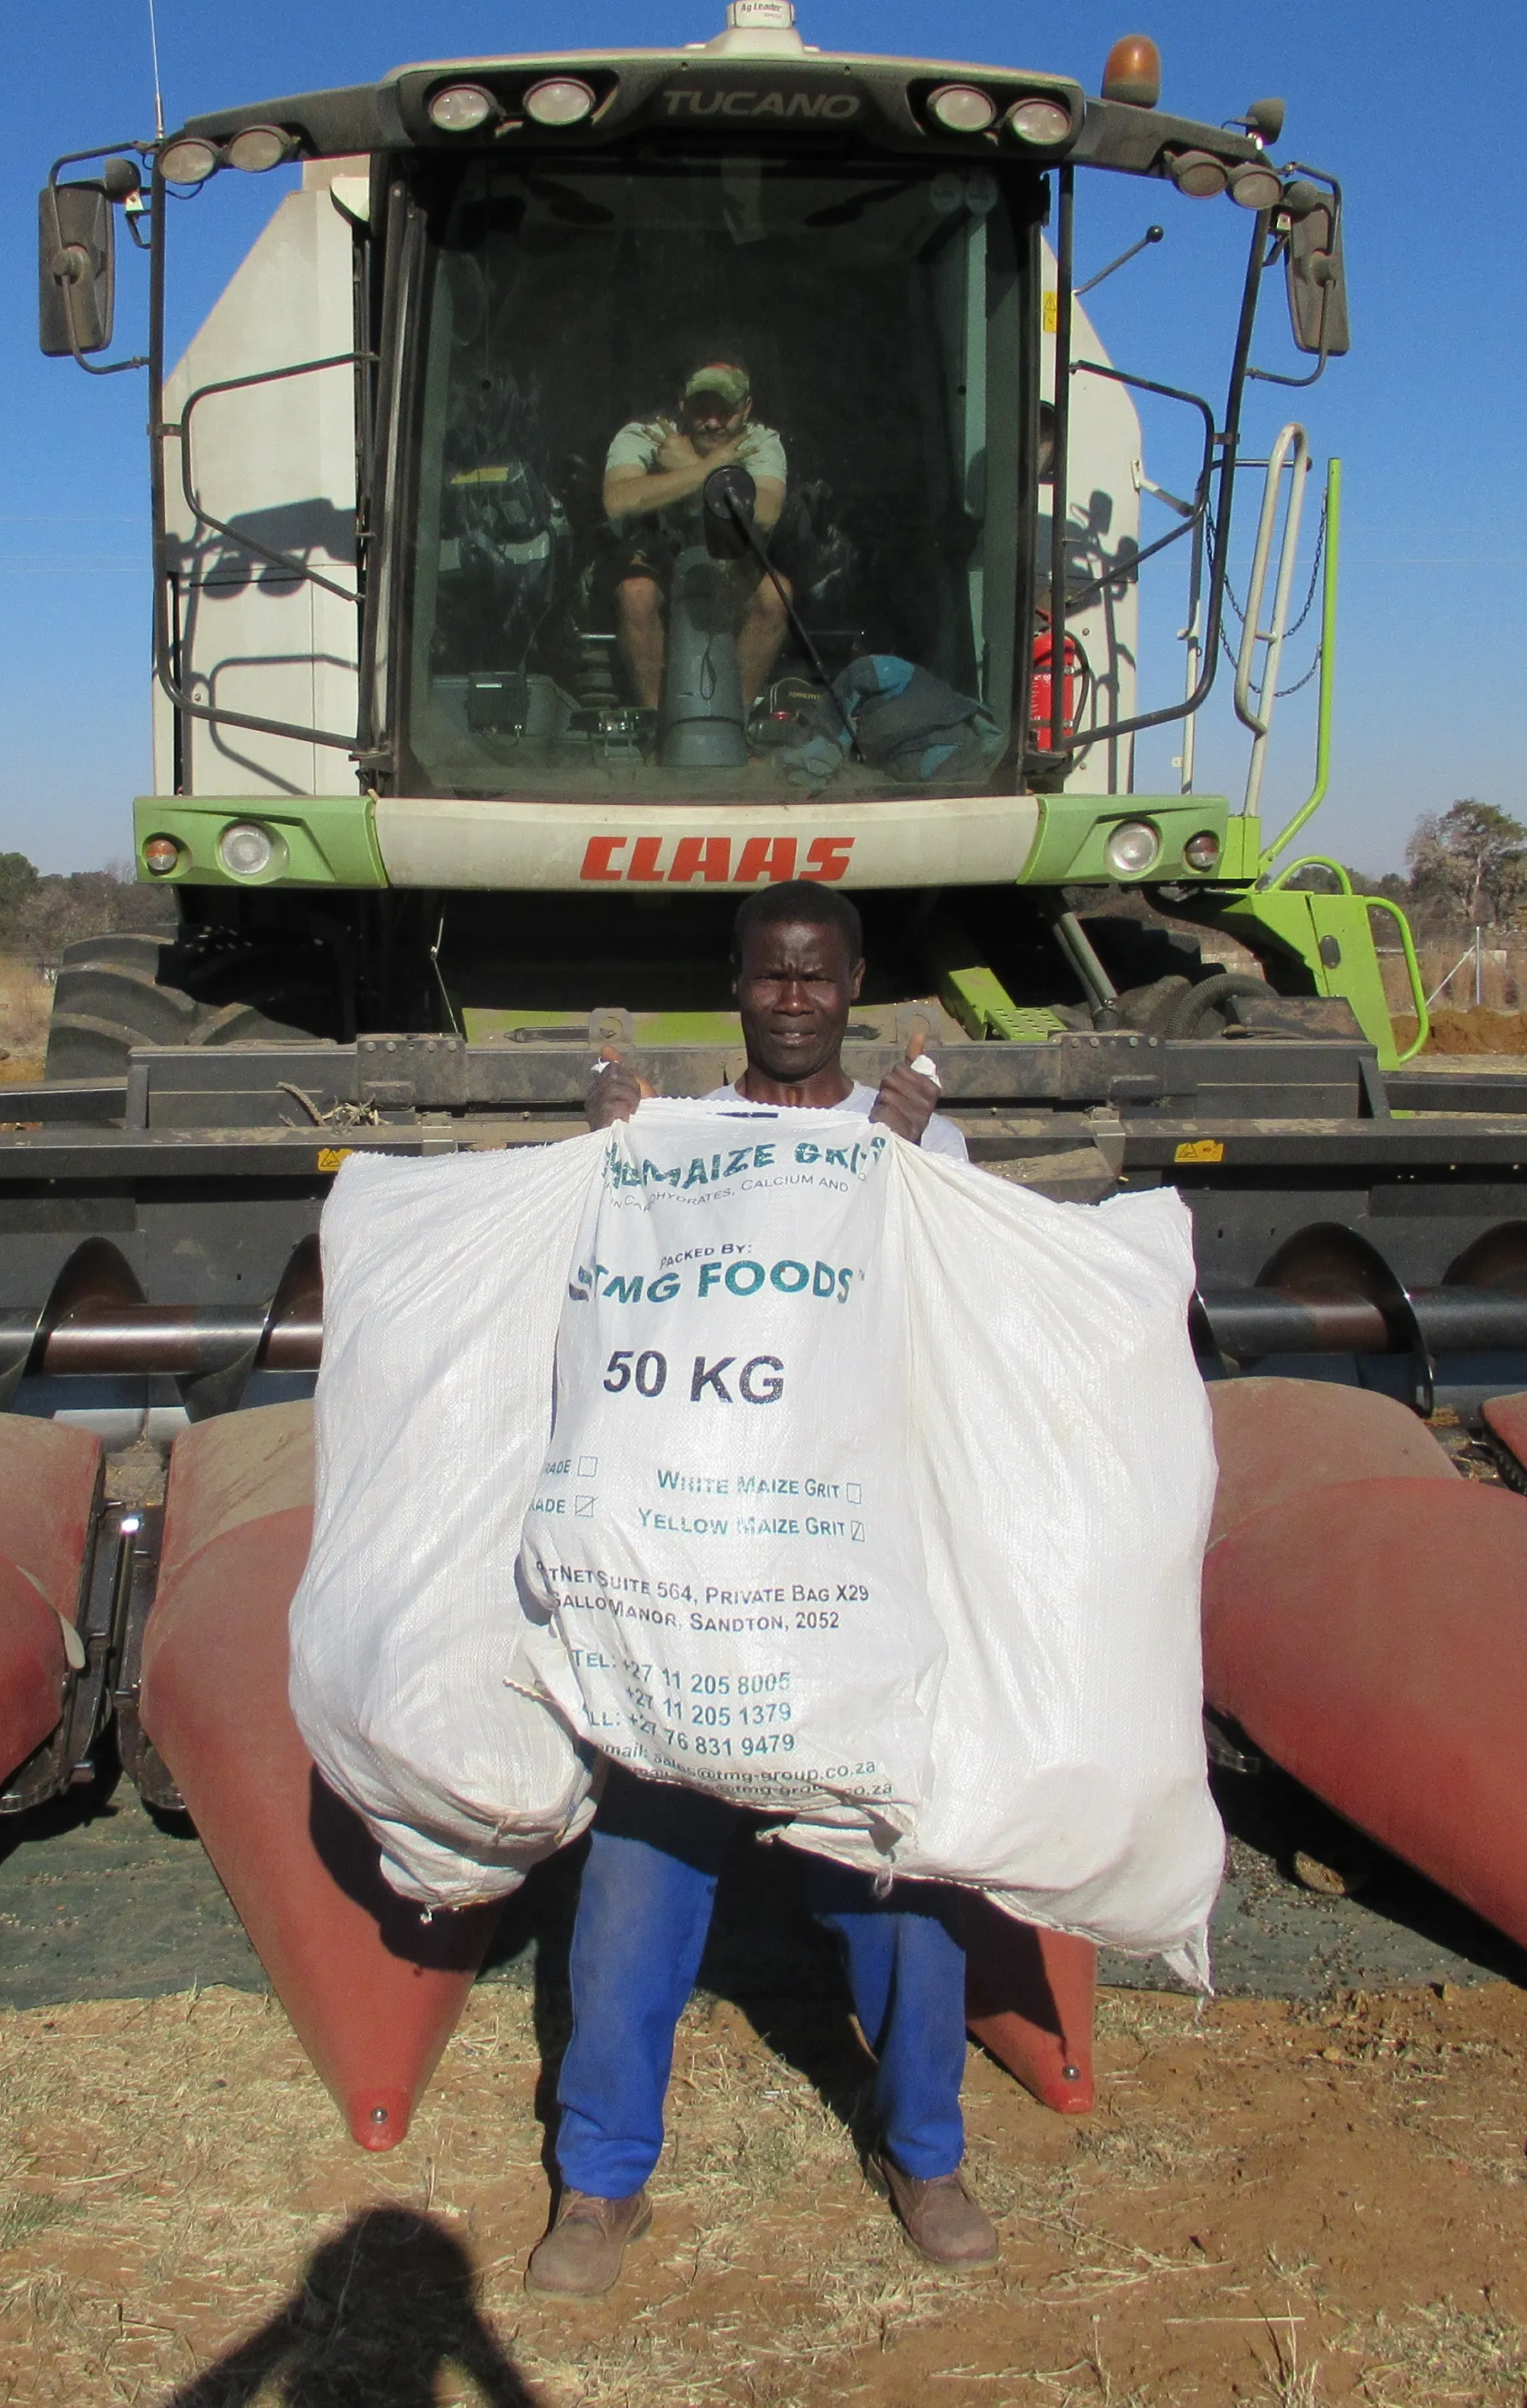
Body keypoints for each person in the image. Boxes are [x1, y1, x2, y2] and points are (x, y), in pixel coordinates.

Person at [533, 878, 984, 2300]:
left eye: (819, 977)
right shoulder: (661, 1145)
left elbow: (971, 1320)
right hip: (687, 1598)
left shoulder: (914, 1141)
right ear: (731, 982)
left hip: (838, 1600)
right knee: (628, 1891)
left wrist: (925, 1177)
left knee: (905, 1892)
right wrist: (595, 1157)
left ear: (858, 986)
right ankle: (599, 2185)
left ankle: (921, 2148)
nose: (794, 1000)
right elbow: (585, 1315)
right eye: (769, 976)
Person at [601, 362, 790, 712]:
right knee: (635, 594)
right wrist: (708, 471)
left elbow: (764, 513)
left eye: (725, 411)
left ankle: (736, 723)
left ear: (746, 409)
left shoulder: (761, 441)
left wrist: (696, 468)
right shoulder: (647, 434)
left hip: (728, 566)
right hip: (659, 562)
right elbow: (618, 501)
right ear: (683, 404)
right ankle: (656, 724)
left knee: (776, 596)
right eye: (702, 410)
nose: (713, 422)